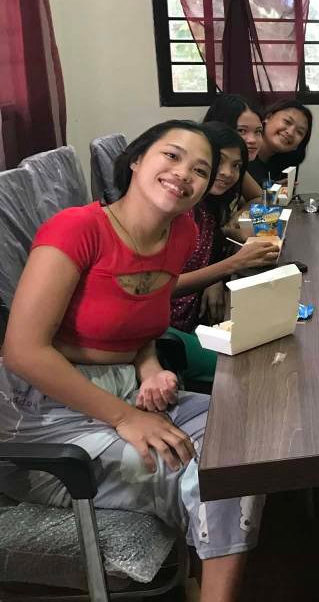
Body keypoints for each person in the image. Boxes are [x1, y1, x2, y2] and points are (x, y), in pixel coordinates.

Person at [0, 120, 263, 601]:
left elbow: (139, 324)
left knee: (244, 433)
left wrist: (149, 368)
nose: (184, 173)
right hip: (46, 416)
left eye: (200, 170)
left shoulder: (179, 232)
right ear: (137, 161)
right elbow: (22, 350)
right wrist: (124, 417)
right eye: (172, 156)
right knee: (211, 469)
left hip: (123, 390)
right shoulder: (77, 229)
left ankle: (205, 582)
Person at [168, 122, 281, 386]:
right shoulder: (177, 209)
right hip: (164, 332)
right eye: (220, 161)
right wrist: (231, 265)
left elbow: (209, 245)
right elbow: (160, 287)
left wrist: (229, 241)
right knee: (251, 370)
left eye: (237, 166)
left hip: (193, 320)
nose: (228, 173)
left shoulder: (207, 207)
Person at [203, 94, 265, 203]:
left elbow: (259, 198)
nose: (253, 140)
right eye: (241, 130)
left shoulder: (234, 166)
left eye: (258, 131)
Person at [247, 99, 313, 193]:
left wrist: (275, 193)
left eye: (299, 132)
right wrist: (269, 193)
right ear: (268, 117)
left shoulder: (287, 164)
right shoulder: (243, 152)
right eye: (287, 122)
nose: (290, 133)